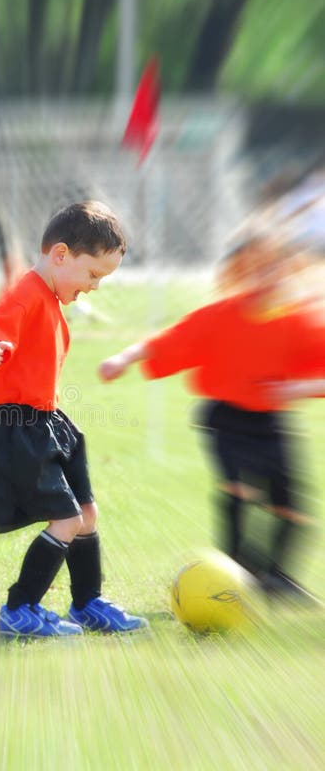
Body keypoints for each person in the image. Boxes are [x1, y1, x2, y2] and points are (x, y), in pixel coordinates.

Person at [99, 235, 325, 604]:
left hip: (270, 424)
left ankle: (279, 578)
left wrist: (296, 388)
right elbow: (170, 340)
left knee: (290, 506)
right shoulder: (223, 315)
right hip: (226, 420)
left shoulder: (296, 322)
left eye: (280, 272)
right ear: (246, 275)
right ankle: (237, 575)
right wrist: (123, 359)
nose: (272, 279)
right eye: (262, 271)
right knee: (239, 489)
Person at [0, 201, 148, 638]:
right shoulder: (27, 292)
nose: (95, 287)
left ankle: (87, 603)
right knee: (66, 520)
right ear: (61, 255)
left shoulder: (49, 299)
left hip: (46, 422)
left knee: (86, 513)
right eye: (93, 275)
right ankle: (19, 609)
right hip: (14, 427)